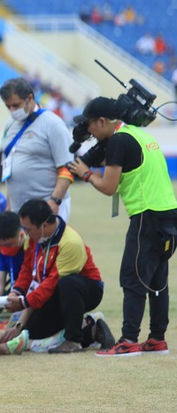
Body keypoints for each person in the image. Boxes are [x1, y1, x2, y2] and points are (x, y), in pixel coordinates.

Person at [69, 96, 177, 356]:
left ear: (102, 121)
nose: (90, 132)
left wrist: (86, 174)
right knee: (157, 279)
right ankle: (157, 339)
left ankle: (128, 340)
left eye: (90, 125)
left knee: (133, 278)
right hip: (169, 212)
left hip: (146, 215)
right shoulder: (138, 134)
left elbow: (109, 187)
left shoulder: (117, 141)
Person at [0, 199, 111, 354]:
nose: (25, 233)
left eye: (29, 229)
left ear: (44, 226)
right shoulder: (33, 239)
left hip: (86, 290)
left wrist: (24, 302)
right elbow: (26, 271)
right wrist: (16, 293)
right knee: (33, 331)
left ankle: (73, 340)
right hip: (53, 292)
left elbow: (52, 282)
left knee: (67, 283)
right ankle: (90, 328)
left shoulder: (70, 242)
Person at [0, 77, 74, 221]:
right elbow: (10, 169)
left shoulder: (53, 124)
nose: (13, 111)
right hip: (17, 209)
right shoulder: (10, 125)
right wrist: (9, 206)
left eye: (16, 105)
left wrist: (55, 200)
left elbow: (67, 168)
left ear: (30, 98)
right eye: (8, 107)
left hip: (46, 206)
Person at [0, 211, 26, 309]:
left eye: (8, 245)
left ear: (21, 235)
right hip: (16, 293)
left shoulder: (32, 246)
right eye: (1, 244)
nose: (5, 248)